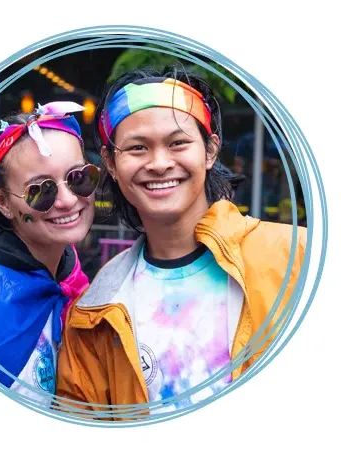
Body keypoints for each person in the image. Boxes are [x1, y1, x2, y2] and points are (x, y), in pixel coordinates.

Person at [55, 68, 307, 419]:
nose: (159, 164)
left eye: (178, 143)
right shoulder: (95, 309)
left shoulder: (294, 256)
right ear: (111, 163)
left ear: (209, 151)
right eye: (137, 148)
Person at [0, 102, 101, 402]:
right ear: (3, 202)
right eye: (40, 191)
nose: (67, 200)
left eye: (79, 178)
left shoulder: (65, 269)